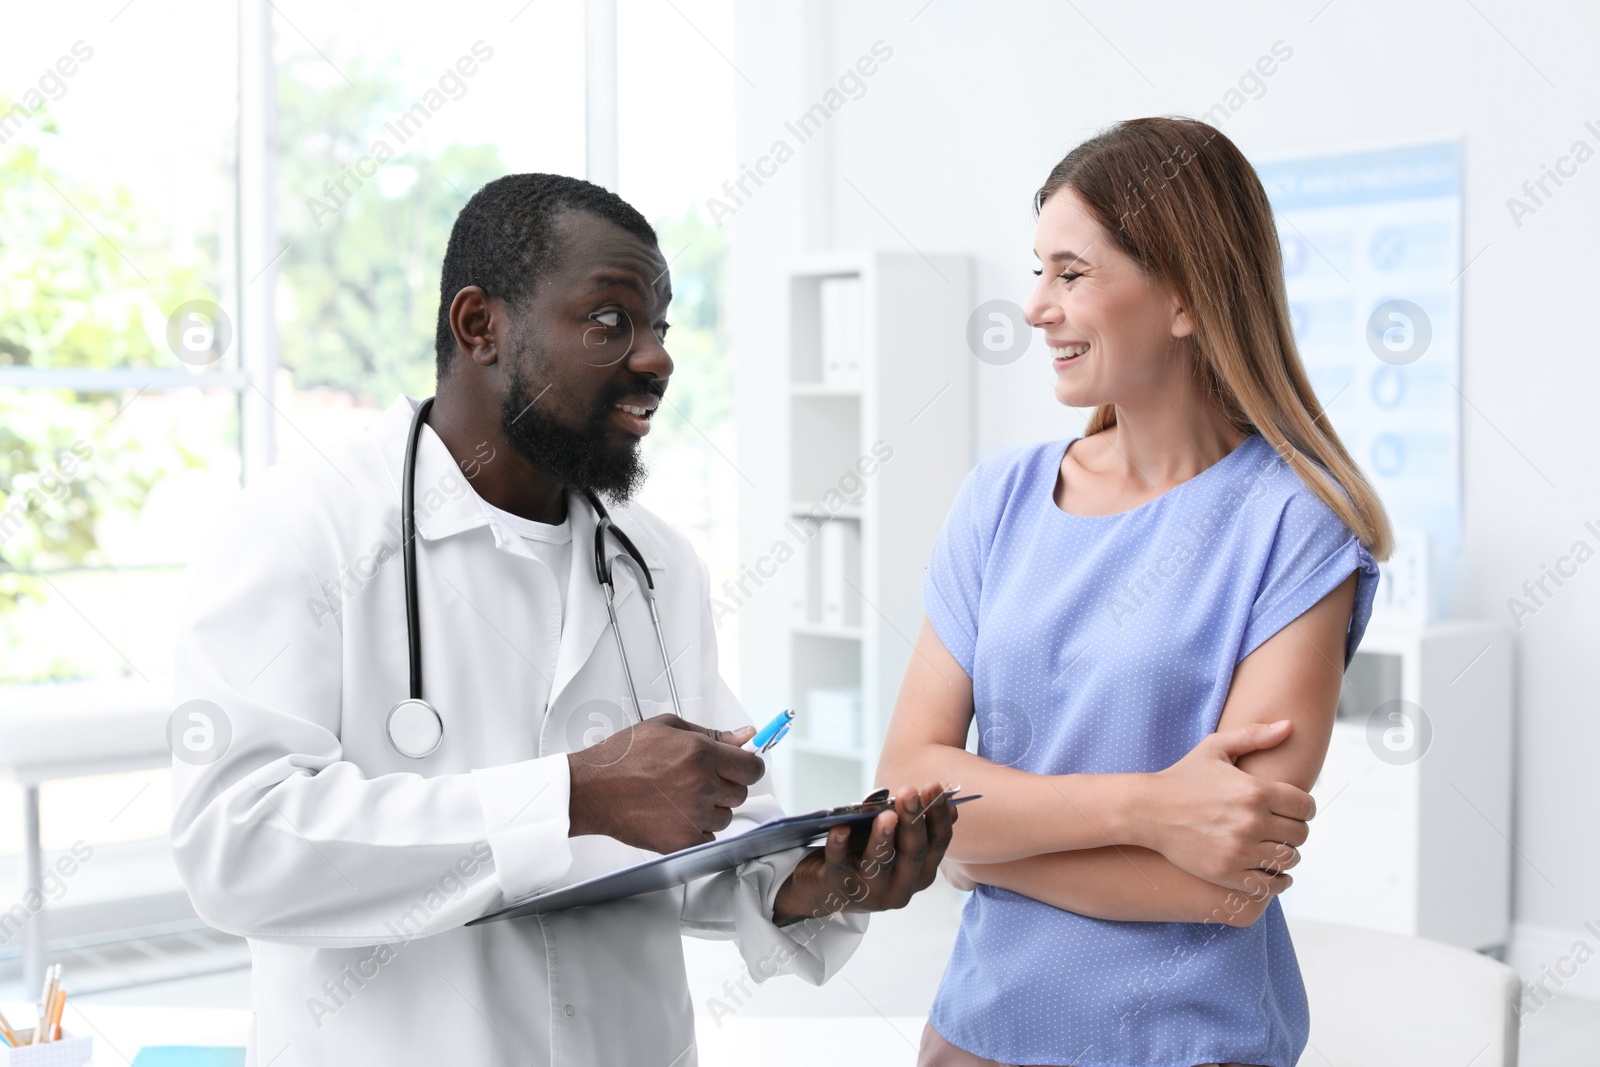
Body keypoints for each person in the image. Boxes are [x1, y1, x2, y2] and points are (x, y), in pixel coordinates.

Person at [169, 173, 956, 1066]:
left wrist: (817, 881)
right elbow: (233, 847)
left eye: (660, 327)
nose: (655, 358)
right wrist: (577, 793)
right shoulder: (303, 532)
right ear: (482, 327)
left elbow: (699, 839)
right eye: (610, 320)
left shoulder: (654, 561)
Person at [876, 117, 1391, 1067]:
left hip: (1187, 1044)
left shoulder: (1295, 523)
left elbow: (1230, 881)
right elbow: (910, 783)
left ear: (1187, 295)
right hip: (975, 1036)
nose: (1035, 307)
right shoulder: (1000, 500)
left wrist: (985, 842)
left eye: (1072, 273)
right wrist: (1145, 811)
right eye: (1038, 270)